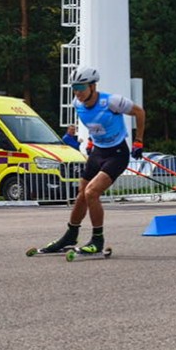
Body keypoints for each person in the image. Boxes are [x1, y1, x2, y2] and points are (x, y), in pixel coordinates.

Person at [39, 66, 145, 254]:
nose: (77, 92)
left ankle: (98, 240)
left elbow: (139, 112)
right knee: (81, 195)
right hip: (97, 153)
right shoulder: (76, 104)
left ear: (93, 86)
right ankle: (70, 235)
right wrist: (89, 141)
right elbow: (94, 125)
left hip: (117, 153)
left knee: (91, 193)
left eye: (81, 87)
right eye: (75, 88)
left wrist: (139, 141)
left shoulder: (111, 102)